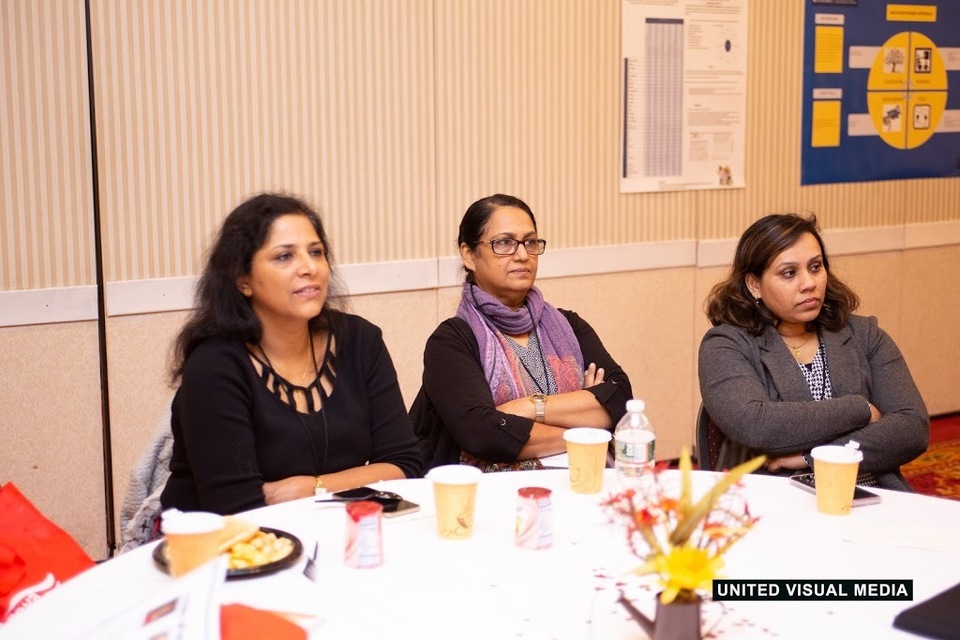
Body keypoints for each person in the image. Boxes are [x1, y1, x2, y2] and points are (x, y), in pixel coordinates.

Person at [160, 193, 421, 515]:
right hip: (222, 538)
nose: (309, 267)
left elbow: (404, 464)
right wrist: (356, 480)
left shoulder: (360, 341)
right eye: (284, 256)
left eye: (316, 252)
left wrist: (311, 487)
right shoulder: (214, 366)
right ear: (243, 280)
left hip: (333, 527)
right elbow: (236, 506)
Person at [698, 213, 928, 490]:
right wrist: (861, 410)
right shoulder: (726, 345)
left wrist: (814, 457)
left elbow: (912, 428)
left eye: (816, 267)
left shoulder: (865, 334)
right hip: (777, 498)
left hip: (872, 492)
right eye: (789, 273)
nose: (809, 283)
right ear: (754, 285)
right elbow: (756, 425)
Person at [410, 194, 633, 471]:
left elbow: (620, 400)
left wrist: (530, 407)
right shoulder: (452, 342)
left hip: (582, 478)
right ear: (469, 255)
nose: (522, 255)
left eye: (530, 242)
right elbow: (483, 434)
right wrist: (586, 426)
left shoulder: (570, 326)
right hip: (492, 490)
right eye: (504, 243)